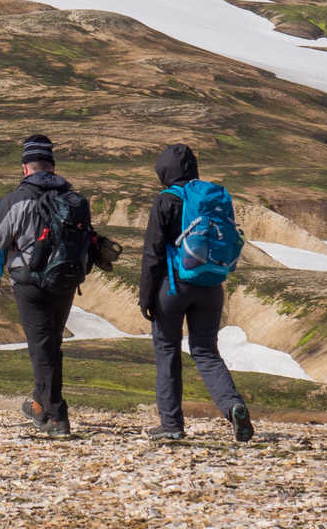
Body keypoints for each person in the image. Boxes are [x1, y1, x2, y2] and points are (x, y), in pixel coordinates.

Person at [0, 134, 91, 437]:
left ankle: (55, 416)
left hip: (30, 282)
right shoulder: (73, 199)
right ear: (52, 166)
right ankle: (40, 404)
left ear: (25, 167)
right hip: (65, 279)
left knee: (41, 348)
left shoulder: (18, 198)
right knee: (52, 344)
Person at [138, 143, 254, 442]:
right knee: (205, 352)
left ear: (163, 171)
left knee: (167, 352)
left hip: (174, 287)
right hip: (211, 286)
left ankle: (171, 425)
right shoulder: (210, 198)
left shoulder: (165, 201)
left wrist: (146, 297)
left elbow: (152, 254)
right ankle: (233, 406)